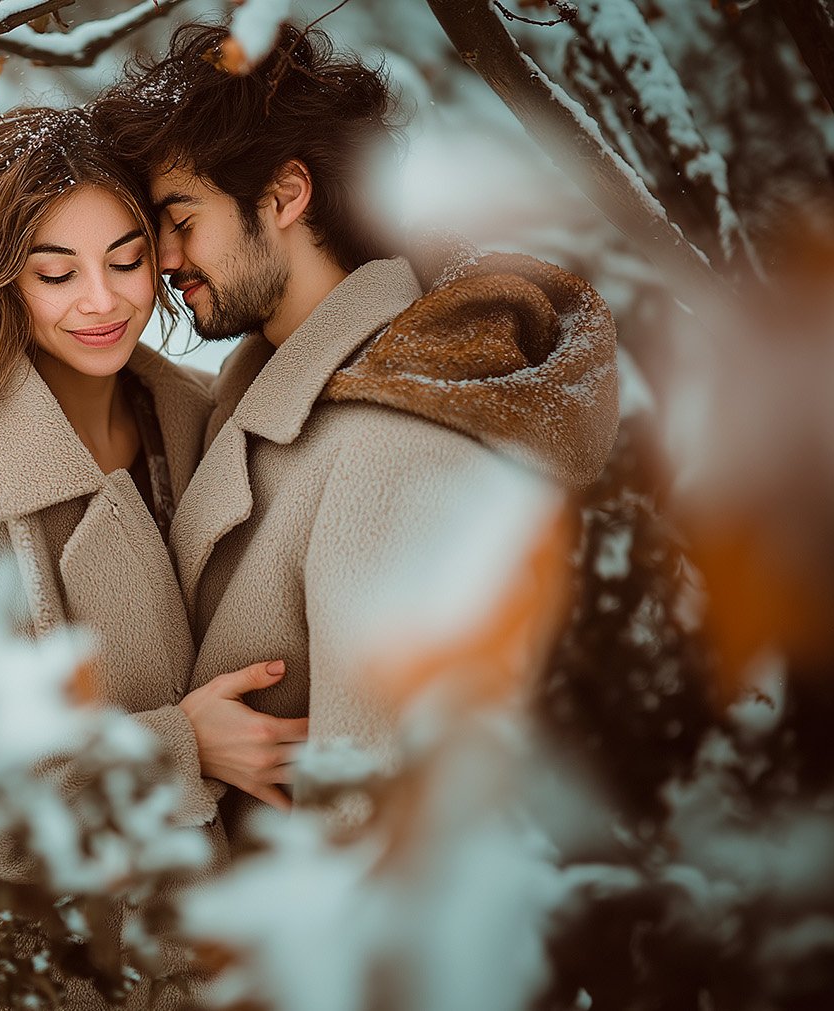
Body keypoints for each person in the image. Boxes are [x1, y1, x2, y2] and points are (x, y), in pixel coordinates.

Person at [91, 22, 622, 843]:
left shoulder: (397, 448)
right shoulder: (271, 388)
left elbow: (382, 838)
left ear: (284, 195)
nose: (163, 255)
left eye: (182, 216)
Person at [0, 105, 293, 1011]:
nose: (103, 300)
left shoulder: (206, 423)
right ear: (4, 282)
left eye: (126, 260)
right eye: (56, 273)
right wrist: (170, 751)